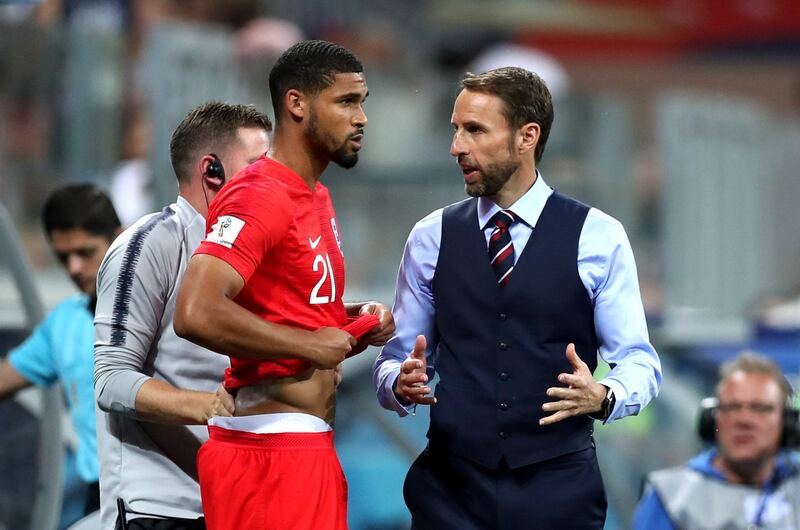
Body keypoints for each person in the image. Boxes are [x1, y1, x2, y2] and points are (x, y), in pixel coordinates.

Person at [373, 66, 662, 529]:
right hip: (450, 491)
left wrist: (605, 394)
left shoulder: (599, 237)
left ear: (527, 137)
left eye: (475, 130)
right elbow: (395, 361)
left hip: (559, 491)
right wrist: (397, 383)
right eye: (455, 130)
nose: (456, 147)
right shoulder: (430, 237)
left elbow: (639, 361)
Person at [173, 40, 395, 530]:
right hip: (267, 454)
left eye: (362, 102)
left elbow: (296, 317)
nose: (361, 118)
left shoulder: (316, 196)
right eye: (346, 102)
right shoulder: (259, 194)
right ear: (296, 104)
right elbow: (195, 310)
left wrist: (355, 320)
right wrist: (310, 343)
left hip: (302, 446)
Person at [93, 101, 272, 530]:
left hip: (236, 505)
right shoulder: (148, 245)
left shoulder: (253, 251)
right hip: (159, 509)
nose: (271, 182)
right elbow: (111, 379)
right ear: (211, 171)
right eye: (257, 166)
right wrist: (211, 407)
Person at [0, 184, 121, 522]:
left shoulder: (162, 306)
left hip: (168, 490)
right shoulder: (65, 323)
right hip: (99, 496)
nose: (74, 268)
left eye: (85, 252)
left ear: (120, 237)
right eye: (63, 257)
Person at [632, 352, 800, 530]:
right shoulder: (671, 497)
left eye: (760, 408)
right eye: (731, 408)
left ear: (787, 421)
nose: (743, 420)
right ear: (712, 420)